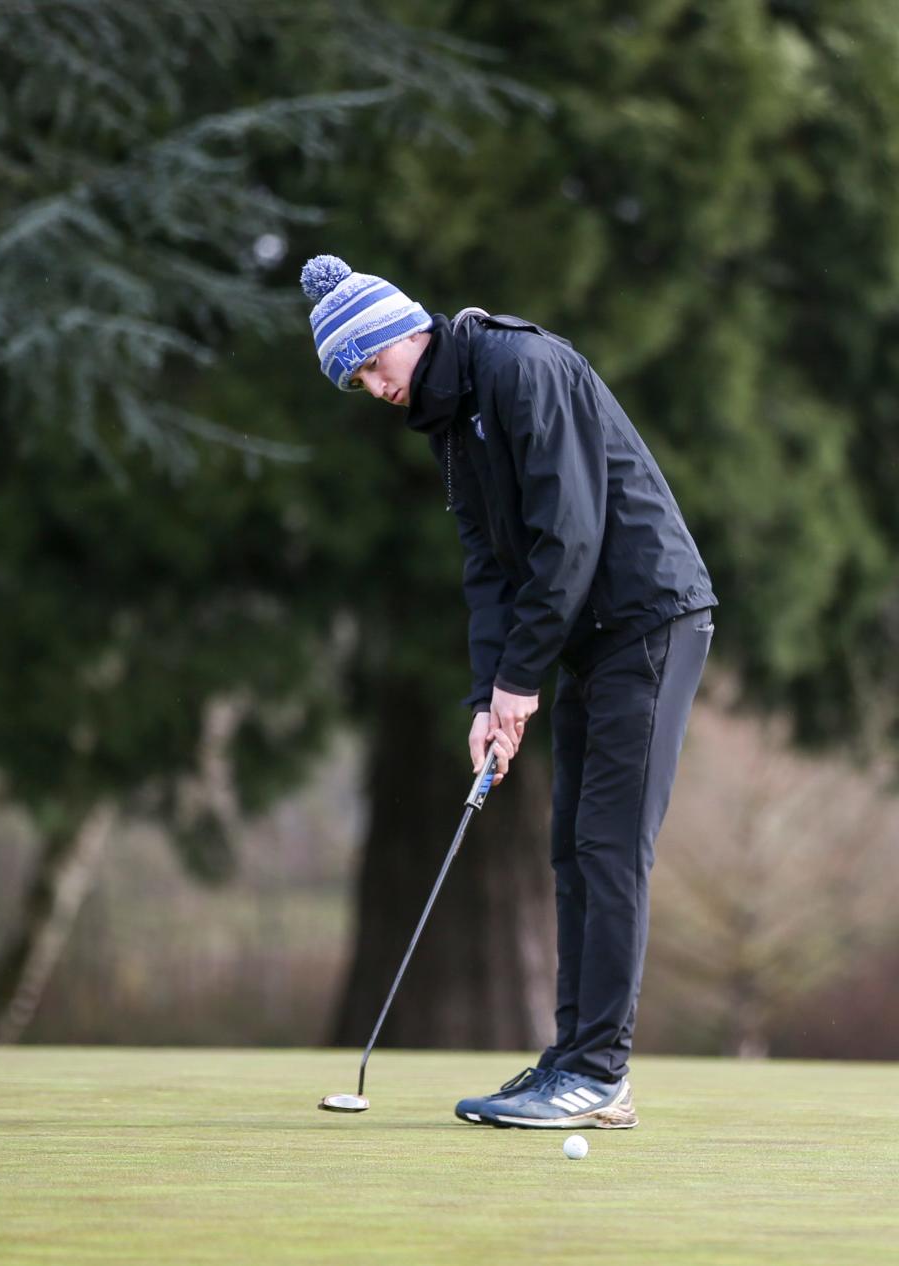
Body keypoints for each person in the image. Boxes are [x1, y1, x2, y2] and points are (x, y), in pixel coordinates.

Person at [300, 254, 717, 1130]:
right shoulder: (453, 423)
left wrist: (522, 679)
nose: (374, 388)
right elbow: (490, 570)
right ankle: (570, 1061)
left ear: (408, 334)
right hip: (591, 641)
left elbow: (569, 536)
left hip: (650, 619)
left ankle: (601, 1075)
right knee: (569, 850)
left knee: (608, 850)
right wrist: (491, 698)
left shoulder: (520, 370)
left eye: (374, 366)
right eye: (358, 381)